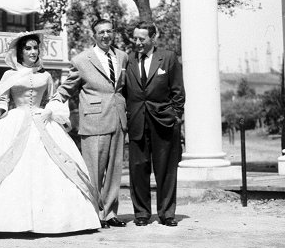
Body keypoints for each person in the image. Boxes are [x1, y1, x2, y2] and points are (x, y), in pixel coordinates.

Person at [0, 33, 101, 234]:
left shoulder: (45, 76)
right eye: (28, 48)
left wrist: (51, 110)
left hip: (42, 121)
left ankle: (56, 222)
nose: (32, 52)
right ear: (20, 52)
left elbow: (54, 99)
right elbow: (1, 100)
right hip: (16, 120)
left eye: (35, 48)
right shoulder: (10, 75)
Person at [52, 19, 129, 228]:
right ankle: (93, 213)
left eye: (109, 31)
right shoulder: (81, 60)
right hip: (94, 120)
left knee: (114, 172)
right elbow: (67, 87)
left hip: (118, 119)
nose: (106, 35)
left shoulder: (122, 57)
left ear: (113, 33)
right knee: (93, 171)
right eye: (101, 32)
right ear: (94, 35)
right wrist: (54, 103)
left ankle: (110, 213)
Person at [125, 21, 185, 226]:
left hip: (164, 122)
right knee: (138, 168)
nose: (138, 42)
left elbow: (178, 91)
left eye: (142, 38)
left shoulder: (168, 58)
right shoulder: (128, 59)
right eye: (135, 38)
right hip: (137, 122)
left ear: (153, 38)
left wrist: (176, 117)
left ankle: (167, 213)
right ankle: (141, 214)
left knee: (166, 169)